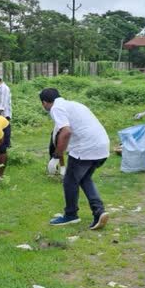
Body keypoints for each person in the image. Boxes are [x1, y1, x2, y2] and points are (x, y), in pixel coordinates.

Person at [40, 88, 110, 230]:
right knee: (84, 179)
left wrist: (56, 156)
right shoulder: (73, 104)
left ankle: (71, 215)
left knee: (70, 181)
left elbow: (66, 132)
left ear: (44, 102)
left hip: (86, 149)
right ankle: (99, 211)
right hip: (102, 146)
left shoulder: (56, 108)